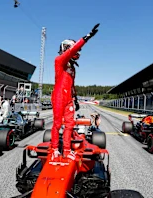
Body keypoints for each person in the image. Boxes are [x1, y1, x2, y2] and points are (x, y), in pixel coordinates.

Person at [50, 23, 100, 162]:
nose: (77, 52)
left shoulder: (72, 67)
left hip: (68, 97)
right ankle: (54, 149)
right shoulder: (59, 61)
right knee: (57, 124)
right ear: (66, 48)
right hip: (59, 96)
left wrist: (75, 98)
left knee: (70, 125)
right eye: (73, 48)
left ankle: (66, 150)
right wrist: (87, 37)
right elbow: (72, 51)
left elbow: (71, 84)